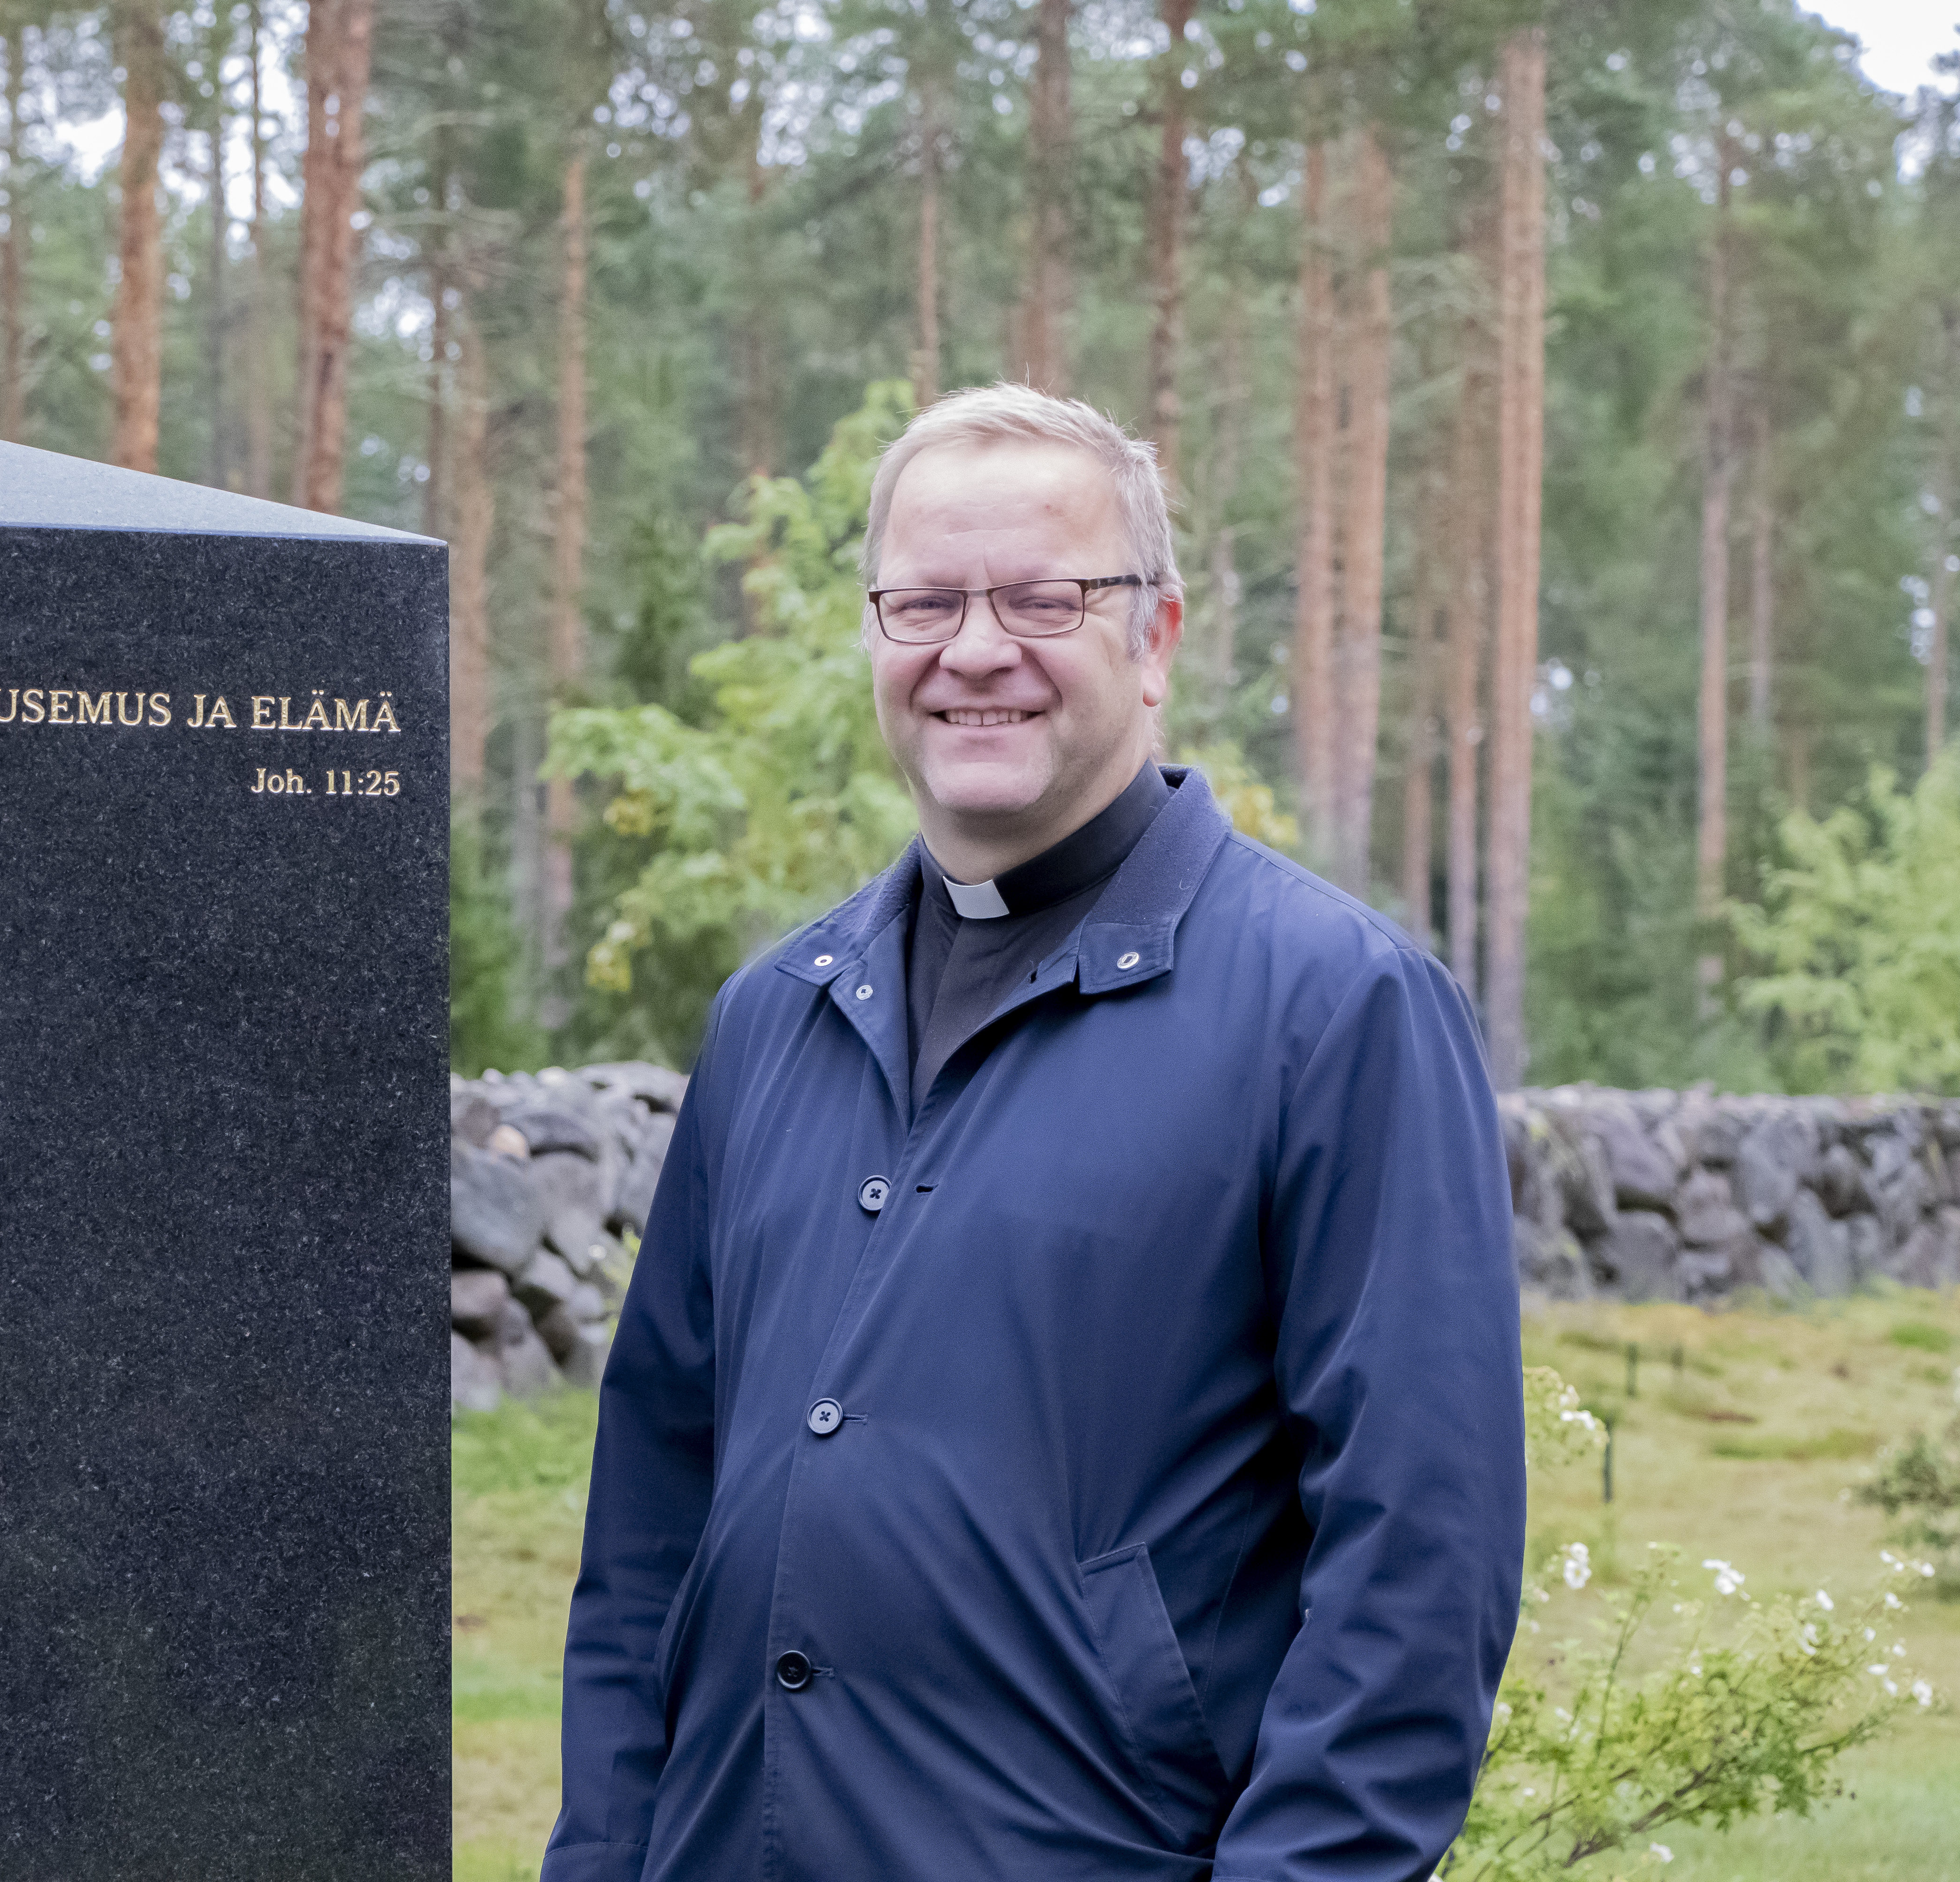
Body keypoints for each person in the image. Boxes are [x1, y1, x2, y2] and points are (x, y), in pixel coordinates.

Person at [543, 382, 1525, 1882]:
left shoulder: (1336, 1011)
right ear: (874, 634)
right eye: (925, 601)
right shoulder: (775, 1016)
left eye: (1044, 596)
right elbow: (650, 1531)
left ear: (1157, 638)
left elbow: (1418, 1571)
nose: (976, 649)